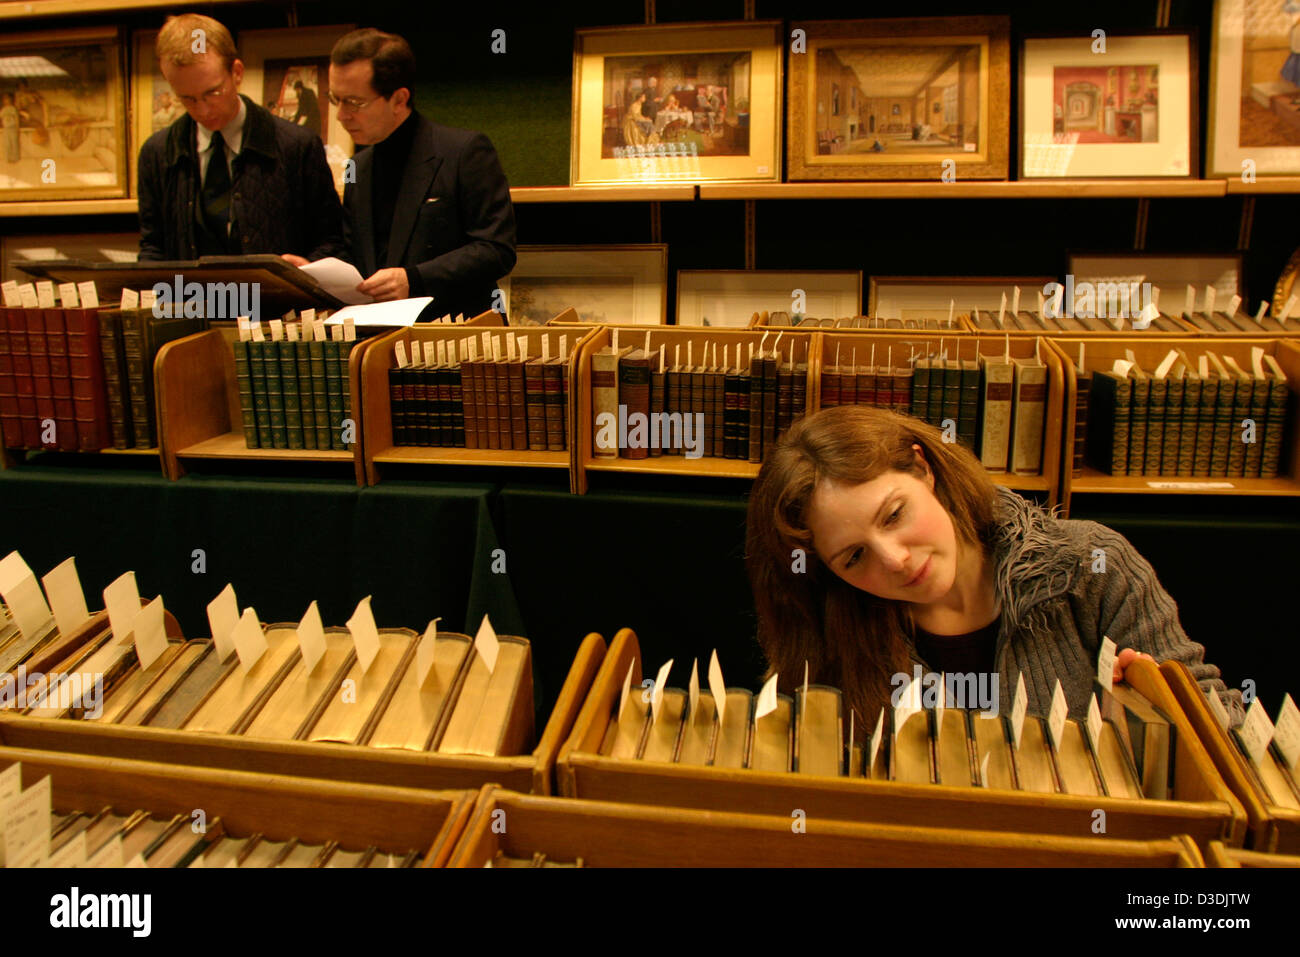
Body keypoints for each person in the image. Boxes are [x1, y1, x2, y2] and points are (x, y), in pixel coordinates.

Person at [745, 405, 1245, 729]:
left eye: (894, 515)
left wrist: (1163, 710)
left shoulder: (1095, 565)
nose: (895, 560)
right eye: (854, 557)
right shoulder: (826, 630)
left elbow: (1229, 729)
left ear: (924, 469)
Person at [327, 28, 515, 315]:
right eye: (335, 99)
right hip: (378, 340)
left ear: (400, 99)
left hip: (458, 340)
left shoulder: (465, 151)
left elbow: (496, 250)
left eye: (354, 102)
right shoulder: (359, 166)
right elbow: (356, 257)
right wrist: (308, 272)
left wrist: (414, 279)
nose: (341, 115)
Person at [137, 13, 344, 262]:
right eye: (187, 99)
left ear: (236, 72)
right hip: (191, 300)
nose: (202, 110)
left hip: (281, 300)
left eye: (212, 93)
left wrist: (309, 269)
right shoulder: (157, 153)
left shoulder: (297, 145)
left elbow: (332, 241)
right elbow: (153, 247)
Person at [1, 93, 18, 163]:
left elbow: (16, 118)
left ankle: (15, 158)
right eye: (5, 100)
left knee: (14, 143)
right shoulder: (3, 109)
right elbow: (1, 118)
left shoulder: (13, 108)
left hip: (13, 127)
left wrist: (17, 127)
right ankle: (8, 158)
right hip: (6, 128)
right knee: (7, 144)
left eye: (8, 99)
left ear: (11, 100)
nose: (7, 101)